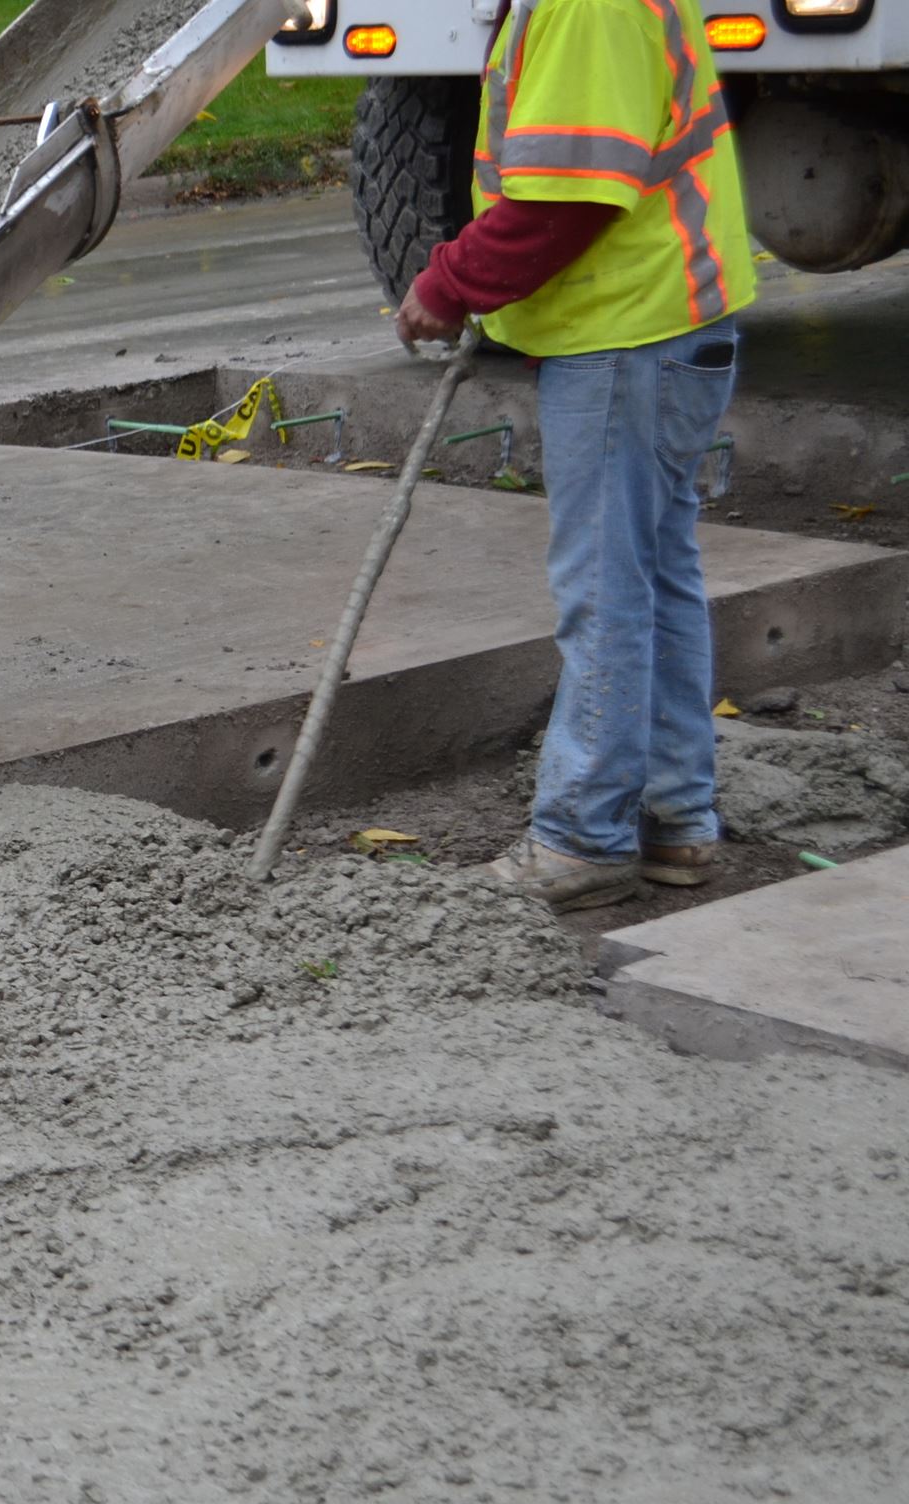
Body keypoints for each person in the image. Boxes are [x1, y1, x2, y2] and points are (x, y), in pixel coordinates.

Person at [395, 0, 755, 910]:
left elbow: (568, 197)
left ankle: (583, 837)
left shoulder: (586, 6)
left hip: (624, 337)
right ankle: (676, 818)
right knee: (654, 573)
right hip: (659, 328)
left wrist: (449, 284)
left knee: (606, 588)